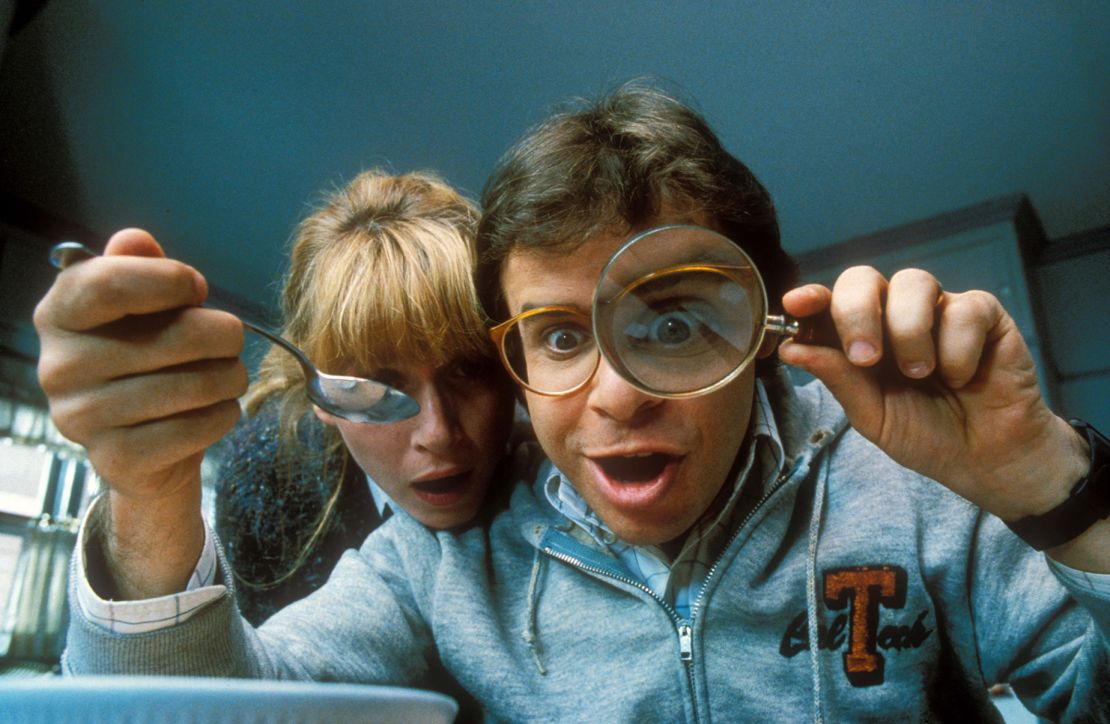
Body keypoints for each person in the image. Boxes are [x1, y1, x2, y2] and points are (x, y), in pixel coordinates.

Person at [39, 81, 1108, 721]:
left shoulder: (919, 488)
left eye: (674, 319)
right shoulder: (443, 563)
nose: (613, 398)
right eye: (556, 335)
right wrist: (145, 489)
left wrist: (1049, 485)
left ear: (765, 329)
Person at [211, 169, 516, 625]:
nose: (438, 433)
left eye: (468, 369)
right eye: (379, 385)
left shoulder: (559, 468)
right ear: (321, 395)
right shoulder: (269, 472)